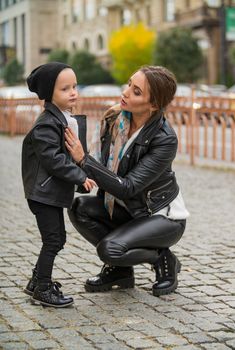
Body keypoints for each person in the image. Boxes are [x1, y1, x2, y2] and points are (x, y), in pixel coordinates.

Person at [65, 65, 190, 297]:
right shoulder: (113, 119)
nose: (126, 92)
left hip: (159, 216)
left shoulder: (164, 139)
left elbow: (128, 187)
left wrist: (84, 160)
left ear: (153, 105)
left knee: (109, 249)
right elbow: (100, 165)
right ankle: (121, 273)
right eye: (129, 84)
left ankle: (163, 258)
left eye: (136, 91)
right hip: (127, 210)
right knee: (80, 208)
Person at [21, 62, 96, 307]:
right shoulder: (46, 124)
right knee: (54, 240)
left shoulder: (62, 119)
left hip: (48, 191)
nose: (73, 92)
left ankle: (36, 281)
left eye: (74, 86)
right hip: (42, 193)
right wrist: (80, 176)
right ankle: (42, 288)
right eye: (65, 89)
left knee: (57, 239)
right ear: (49, 93)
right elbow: (54, 160)